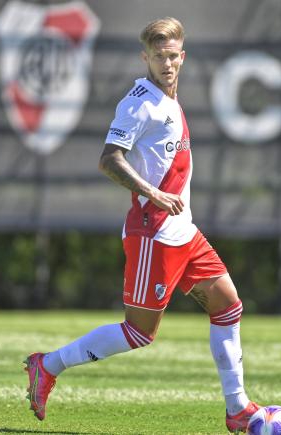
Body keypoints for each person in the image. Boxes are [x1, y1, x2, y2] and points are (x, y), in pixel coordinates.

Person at [23, 16, 259, 433]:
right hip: (155, 232)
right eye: (158, 56)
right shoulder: (140, 102)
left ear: (182, 57)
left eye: (172, 56)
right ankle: (47, 365)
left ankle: (237, 409)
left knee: (227, 306)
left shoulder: (170, 99)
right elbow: (109, 159)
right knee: (138, 333)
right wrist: (152, 193)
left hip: (184, 230)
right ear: (145, 57)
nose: (166, 64)